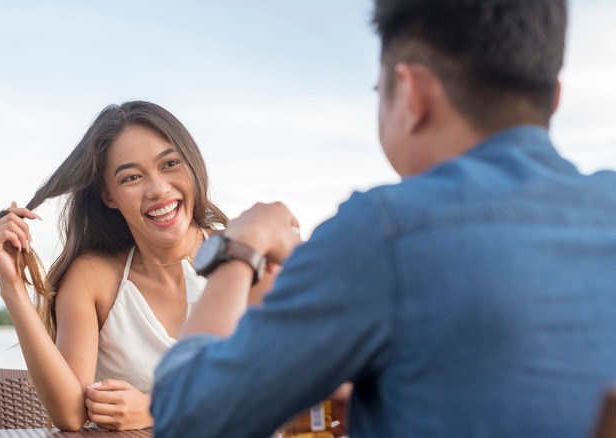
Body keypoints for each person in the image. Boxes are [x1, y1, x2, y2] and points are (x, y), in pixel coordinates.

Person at [150, 1, 616, 437]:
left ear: (412, 93)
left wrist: (239, 248)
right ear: (553, 98)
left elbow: (185, 416)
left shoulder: (385, 231)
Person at [0, 101, 261, 431]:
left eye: (170, 163)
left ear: (193, 165)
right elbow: (70, 415)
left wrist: (159, 408)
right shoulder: (94, 278)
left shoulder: (244, 256)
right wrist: (12, 286)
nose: (158, 189)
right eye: (131, 177)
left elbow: (282, 385)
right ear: (109, 197)